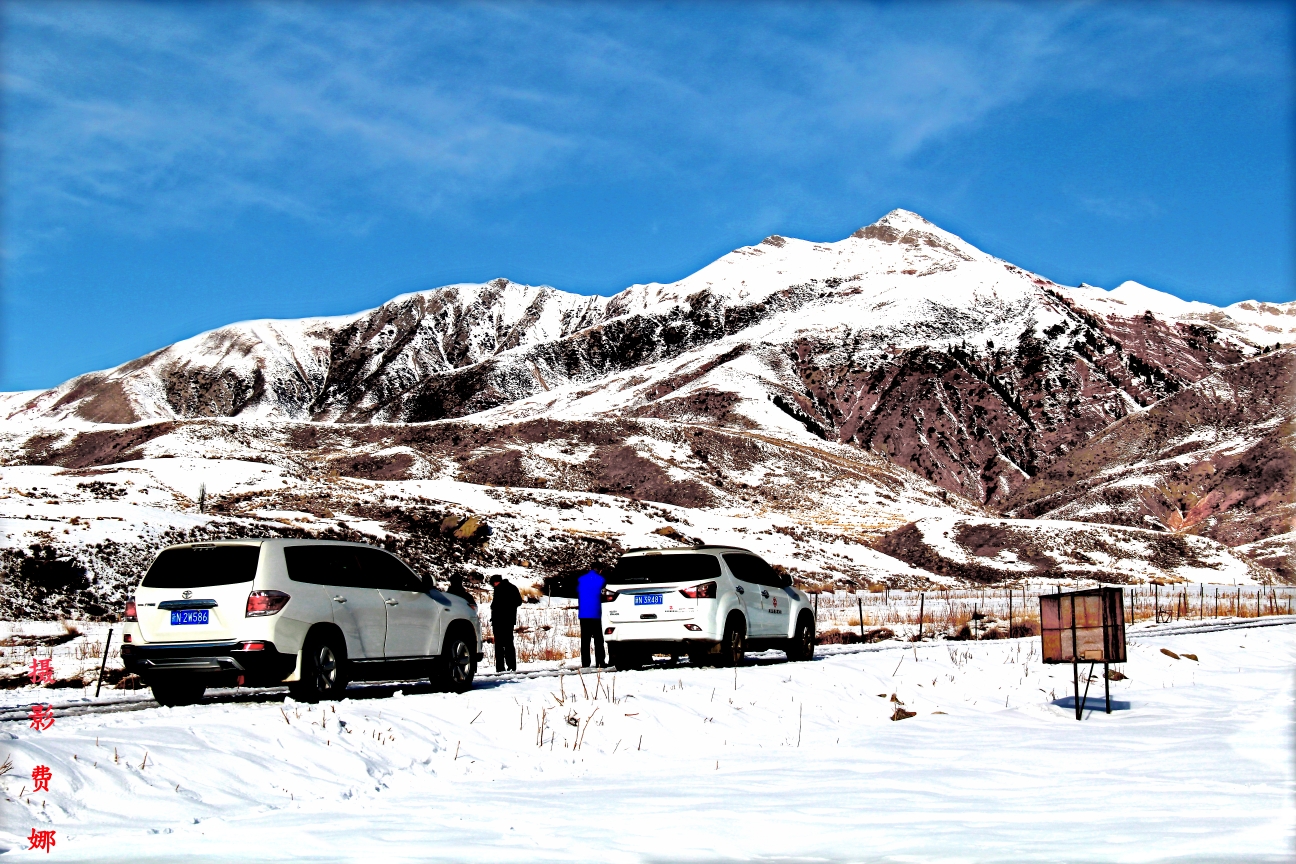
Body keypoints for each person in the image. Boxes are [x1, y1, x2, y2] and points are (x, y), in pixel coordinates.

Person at [488, 574, 522, 673]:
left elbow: (496, 606)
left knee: (500, 645)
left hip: (500, 621)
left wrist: (505, 607)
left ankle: (501, 668)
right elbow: (518, 602)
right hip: (507, 620)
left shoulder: (500, 589)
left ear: (496, 582)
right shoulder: (512, 587)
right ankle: (511, 667)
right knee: (508, 644)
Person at [577, 565, 607, 668]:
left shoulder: (581, 579)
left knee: (585, 640)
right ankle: (600, 662)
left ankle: (585, 663)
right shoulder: (601, 579)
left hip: (583, 614)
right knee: (598, 640)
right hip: (596, 614)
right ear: (600, 570)